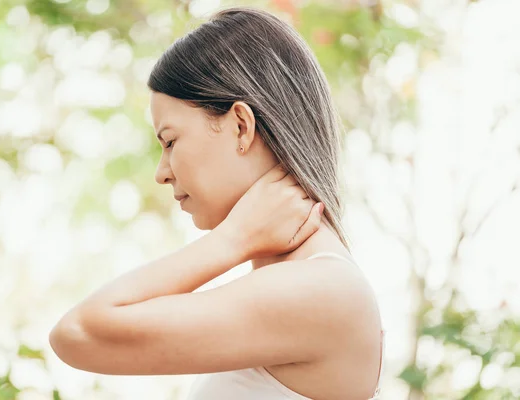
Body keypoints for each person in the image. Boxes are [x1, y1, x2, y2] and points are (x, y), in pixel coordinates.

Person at [49, 6, 385, 400]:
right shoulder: (300, 282)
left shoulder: (320, 288)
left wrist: (232, 240)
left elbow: (78, 333)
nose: (162, 172)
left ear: (241, 126)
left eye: (170, 141)